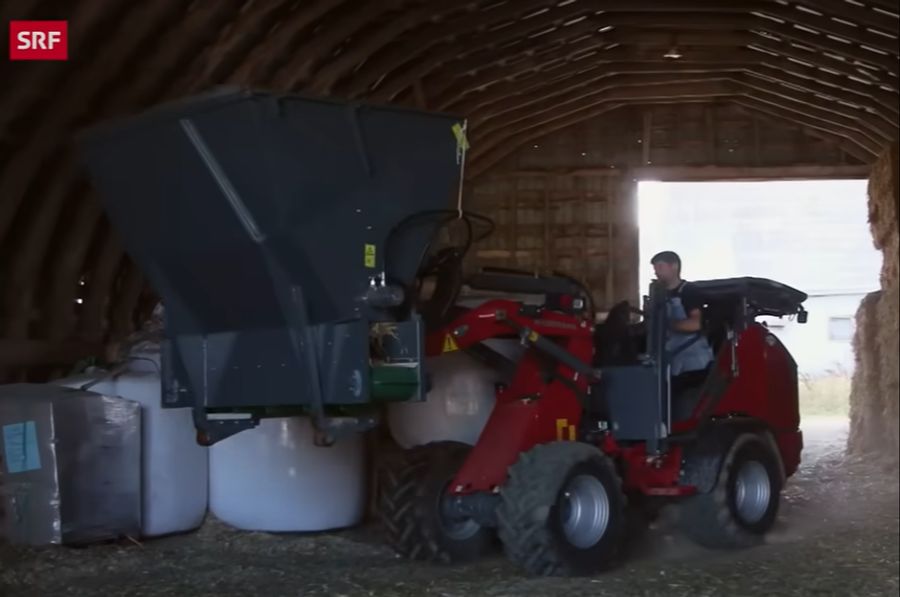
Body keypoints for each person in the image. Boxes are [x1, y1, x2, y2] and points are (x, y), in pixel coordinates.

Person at [650, 251, 714, 377]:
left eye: (660, 267)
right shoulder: (659, 296)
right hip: (672, 363)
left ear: (674, 266)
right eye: (655, 269)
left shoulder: (689, 291)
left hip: (694, 366)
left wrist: (665, 324)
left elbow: (695, 324)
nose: (656, 272)